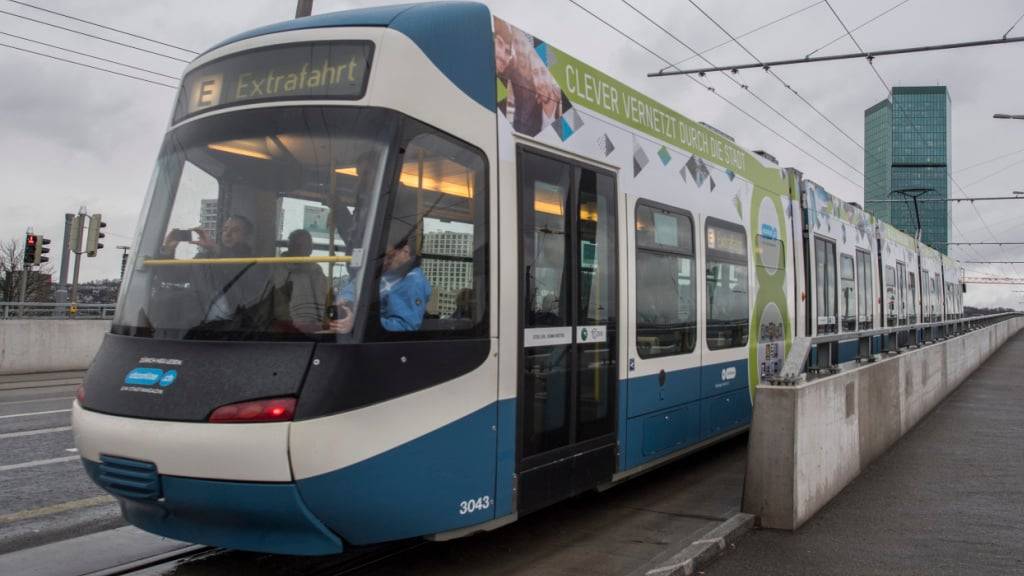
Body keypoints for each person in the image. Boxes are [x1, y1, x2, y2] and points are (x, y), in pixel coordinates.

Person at [329, 235, 431, 334]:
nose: (385, 262)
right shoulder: (385, 270)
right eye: (381, 257)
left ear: (405, 251)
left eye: (390, 257)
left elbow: (404, 327)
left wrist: (358, 323)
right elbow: (353, 287)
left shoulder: (413, 282)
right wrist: (346, 302)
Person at [273, 229, 327, 331]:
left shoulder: (316, 270)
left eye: (305, 246)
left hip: (314, 325)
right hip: (287, 326)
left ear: (310, 249)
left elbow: (323, 297)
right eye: (297, 245)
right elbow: (278, 302)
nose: (301, 249)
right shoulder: (278, 267)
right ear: (290, 247)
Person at [161, 214, 255, 259]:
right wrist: (168, 251)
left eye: (235, 230)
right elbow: (173, 276)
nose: (227, 234)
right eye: (225, 229)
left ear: (247, 237)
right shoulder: (204, 258)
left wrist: (214, 247)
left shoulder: (253, 261)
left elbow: (236, 267)